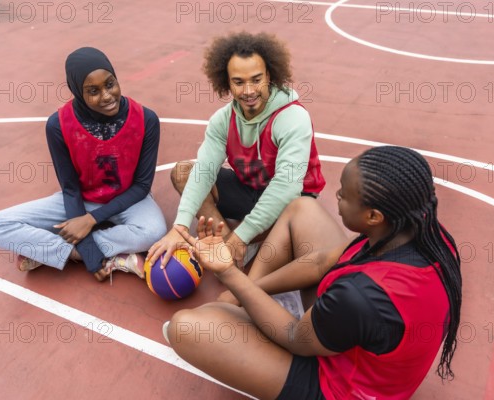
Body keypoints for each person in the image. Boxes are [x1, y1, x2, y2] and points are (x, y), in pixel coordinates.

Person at [165, 146, 462, 399]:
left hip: (339, 387)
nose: (337, 195)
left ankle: (259, 312)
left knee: (187, 327)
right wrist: (243, 292)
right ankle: (253, 303)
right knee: (302, 208)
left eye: (345, 196)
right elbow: (323, 263)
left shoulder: (360, 295)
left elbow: (295, 336)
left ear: (373, 216)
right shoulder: (421, 235)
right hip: (353, 335)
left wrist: (231, 274)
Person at [0, 47, 167, 282]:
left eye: (110, 84)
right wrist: (89, 252)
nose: (107, 96)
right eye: (93, 91)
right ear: (77, 91)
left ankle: (53, 252)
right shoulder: (58, 125)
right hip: (79, 200)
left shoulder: (146, 119)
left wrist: (91, 223)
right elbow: (70, 189)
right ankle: (103, 255)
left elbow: (141, 185)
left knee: (154, 232)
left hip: (128, 198)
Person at [147, 31, 326, 270]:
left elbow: (287, 186)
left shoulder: (292, 117)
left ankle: (239, 245)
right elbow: (205, 171)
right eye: (239, 82)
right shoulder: (223, 119)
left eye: (256, 79)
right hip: (250, 191)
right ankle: (226, 250)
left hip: (292, 202)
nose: (249, 90)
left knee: (300, 216)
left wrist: (243, 234)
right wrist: (179, 227)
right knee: (184, 172)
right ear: (227, 82)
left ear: (270, 75)